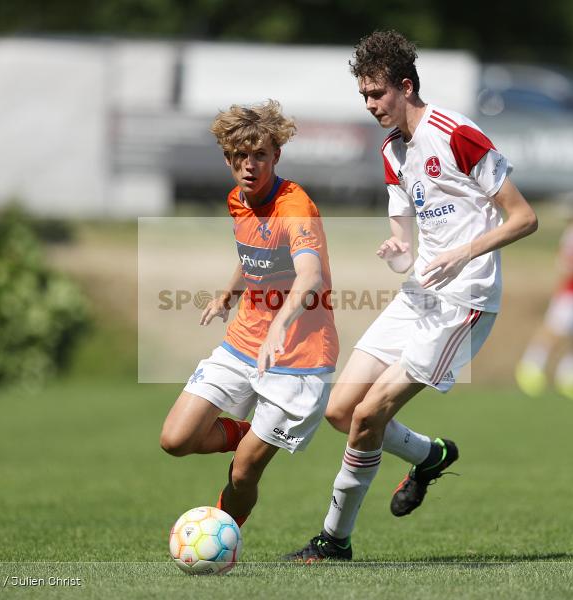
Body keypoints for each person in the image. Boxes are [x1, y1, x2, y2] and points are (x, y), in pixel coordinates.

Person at [283, 31, 537, 563]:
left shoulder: (458, 134)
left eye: (377, 95)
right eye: (364, 97)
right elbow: (404, 233)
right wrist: (400, 250)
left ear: (405, 86)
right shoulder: (393, 150)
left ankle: (334, 540)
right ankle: (430, 455)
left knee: (368, 415)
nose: (370, 106)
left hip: (464, 300)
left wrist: (464, 252)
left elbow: (524, 218)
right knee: (339, 408)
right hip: (420, 292)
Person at [159, 100, 338, 528]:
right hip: (243, 343)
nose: (251, 165)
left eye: (260, 155)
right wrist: (227, 294)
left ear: (276, 155)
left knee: (242, 473)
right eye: (241, 156)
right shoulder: (237, 200)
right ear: (228, 159)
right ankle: (243, 433)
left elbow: (309, 274)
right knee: (176, 439)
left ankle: (224, 538)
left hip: (299, 358)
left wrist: (281, 322)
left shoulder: (295, 206)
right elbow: (253, 252)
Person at [515, 211, 573, 400]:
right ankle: (531, 367)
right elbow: (566, 265)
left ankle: (569, 375)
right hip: (571, 293)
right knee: (555, 331)